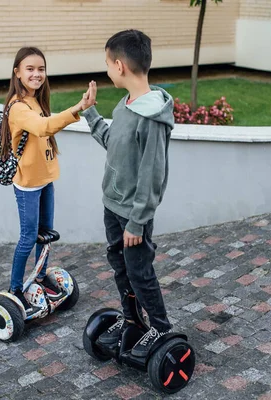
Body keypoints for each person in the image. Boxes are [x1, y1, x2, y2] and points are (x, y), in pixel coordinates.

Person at [83, 30, 175, 357]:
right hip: (112, 206)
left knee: (140, 273)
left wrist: (137, 222)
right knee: (120, 268)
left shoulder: (151, 117)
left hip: (133, 215)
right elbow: (114, 145)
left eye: (108, 64)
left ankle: (162, 329)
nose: (107, 70)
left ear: (120, 66)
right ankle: (133, 319)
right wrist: (90, 113)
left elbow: (153, 175)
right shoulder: (126, 105)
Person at [2, 47, 93, 316]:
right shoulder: (17, 107)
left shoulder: (37, 100)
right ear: (17, 72)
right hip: (28, 184)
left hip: (45, 180)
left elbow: (44, 134)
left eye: (41, 69)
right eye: (30, 69)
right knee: (28, 237)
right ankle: (16, 289)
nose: (36, 74)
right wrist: (79, 108)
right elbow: (43, 128)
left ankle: (40, 277)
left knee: (46, 235)